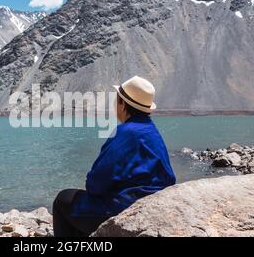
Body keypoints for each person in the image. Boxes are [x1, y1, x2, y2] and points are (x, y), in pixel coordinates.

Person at [53, 76, 177, 237]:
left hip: (129, 206)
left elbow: (95, 184)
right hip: (157, 202)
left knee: (63, 200)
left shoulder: (125, 132)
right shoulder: (151, 130)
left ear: (123, 104)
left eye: (116, 99)